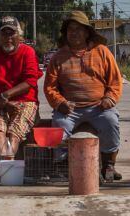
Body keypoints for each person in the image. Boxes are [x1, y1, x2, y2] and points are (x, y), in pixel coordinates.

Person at [44, 10, 124, 182]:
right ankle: (62, 164)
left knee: (111, 121)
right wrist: (60, 103)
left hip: (98, 107)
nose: (74, 33)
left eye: (79, 29)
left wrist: (109, 99)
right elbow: (50, 88)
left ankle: (109, 164)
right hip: (70, 109)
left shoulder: (102, 52)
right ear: (66, 33)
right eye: (70, 29)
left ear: (87, 32)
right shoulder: (58, 57)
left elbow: (115, 81)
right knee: (59, 124)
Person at [0, 16, 41, 159]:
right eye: (4, 34)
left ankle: (6, 167)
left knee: (14, 133)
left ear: (19, 35)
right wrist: (3, 101)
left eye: (12, 33)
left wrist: (5, 95)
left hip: (25, 102)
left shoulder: (28, 52)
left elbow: (30, 82)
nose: (8, 38)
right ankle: (6, 164)